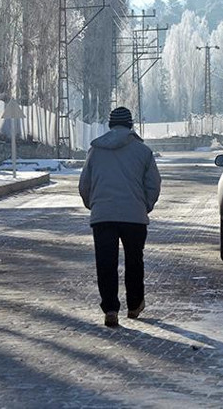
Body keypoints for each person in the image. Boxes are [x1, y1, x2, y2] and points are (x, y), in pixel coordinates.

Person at [78, 107, 161, 327]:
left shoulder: (95, 151)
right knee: (134, 261)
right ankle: (134, 304)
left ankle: (110, 309)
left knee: (106, 263)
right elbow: (153, 185)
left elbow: (84, 184)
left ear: (110, 124)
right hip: (134, 216)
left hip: (103, 216)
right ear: (131, 125)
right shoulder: (143, 151)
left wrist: (93, 205)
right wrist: (144, 206)